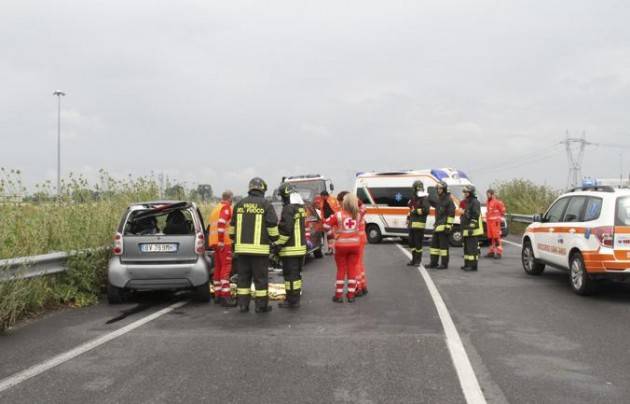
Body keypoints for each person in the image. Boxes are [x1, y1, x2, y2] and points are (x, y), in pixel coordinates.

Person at [229, 177, 279, 313]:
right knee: (260, 279)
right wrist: (275, 240)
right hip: (260, 251)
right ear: (262, 189)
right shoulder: (266, 204)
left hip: (241, 251)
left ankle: (243, 305)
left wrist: (235, 239)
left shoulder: (239, 204)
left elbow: (232, 229)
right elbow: (272, 226)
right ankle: (261, 306)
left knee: (243, 279)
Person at [324, 194, 363, 303]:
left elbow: (326, 226)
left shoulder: (338, 215)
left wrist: (332, 236)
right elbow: (362, 207)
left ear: (344, 203)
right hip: (355, 245)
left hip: (341, 246)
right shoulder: (358, 215)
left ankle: (338, 295)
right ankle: (351, 295)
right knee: (352, 270)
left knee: (341, 269)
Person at [275, 183, 307, 309]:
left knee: (290, 277)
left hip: (290, 250)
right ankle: (295, 298)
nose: (282, 199)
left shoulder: (288, 209)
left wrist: (277, 244)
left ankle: (292, 301)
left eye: (282, 196)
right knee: (297, 276)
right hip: (300, 249)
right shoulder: (300, 207)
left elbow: (285, 230)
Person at [207, 190, 236, 307]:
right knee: (226, 268)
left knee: (218, 268)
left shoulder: (216, 209)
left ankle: (218, 295)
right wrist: (221, 241)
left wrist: (217, 241)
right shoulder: (226, 208)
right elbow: (222, 223)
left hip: (214, 243)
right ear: (230, 199)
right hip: (224, 242)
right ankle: (226, 297)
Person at [427, 181, 455, 269]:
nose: (438, 190)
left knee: (443, 247)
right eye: (437, 188)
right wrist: (428, 195)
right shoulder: (439, 199)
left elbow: (451, 214)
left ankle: (444, 264)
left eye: (440, 188)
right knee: (434, 246)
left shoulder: (448, 200)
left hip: (444, 227)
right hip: (437, 226)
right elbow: (431, 202)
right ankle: (433, 263)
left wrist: (448, 226)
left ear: (444, 189)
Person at [406, 181, 431, 267]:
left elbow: (426, 210)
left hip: (419, 224)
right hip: (412, 224)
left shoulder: (424, 198)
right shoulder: (413, 198)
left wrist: (416, 211)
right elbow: (410, 210)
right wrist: (408, 218)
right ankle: (413, 260)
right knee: (411, 243)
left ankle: (418, 261)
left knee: (418, 244)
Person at [460, 185, 484, 271]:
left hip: (472, 230)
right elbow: (467, 214)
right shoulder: (468, 202)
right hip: (466, 228)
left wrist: (471, 227)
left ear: (471, 192)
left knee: (471, 249)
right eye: (464, 192)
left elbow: (475, 216)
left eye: (466, 192)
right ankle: (467, 264)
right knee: (466, 249)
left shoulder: (475, 202)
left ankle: (473, 266)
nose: (465, 194)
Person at [486, 189, 506, 259]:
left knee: (496, 237)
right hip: (489, 222)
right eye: (487, 194)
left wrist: (499, 218)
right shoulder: (488, 202)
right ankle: (491, 252)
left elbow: (503, 211)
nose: (487, 196)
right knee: (490, 238)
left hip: (495, 222)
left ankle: (498, 253)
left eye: (488, 194)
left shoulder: (498, 202)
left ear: (492, 194)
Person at [320, 191, 339, 255]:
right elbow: (322, 211)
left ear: (325, 195)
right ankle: (331, 249)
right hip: (326, 220)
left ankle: (337, 248)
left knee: (335, 235)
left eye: (322, 196)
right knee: (329, 235)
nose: (321, 198)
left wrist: (336, 217)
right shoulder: (322, 201)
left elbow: (337, 209)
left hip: (334, 219)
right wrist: (323, 219)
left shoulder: (333, 199)